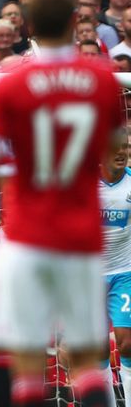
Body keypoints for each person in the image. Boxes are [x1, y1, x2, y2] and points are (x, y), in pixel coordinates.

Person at [0, 0, 123, 407]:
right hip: (81, 237)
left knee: (27, 358)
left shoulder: (8, 84)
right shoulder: (103, 81)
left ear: (26, 27)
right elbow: (112, 150)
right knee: (85, 360)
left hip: (25, 235)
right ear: (75, 23)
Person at [97, 139, 131, 400]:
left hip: (125, 272)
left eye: (125, 147)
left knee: (127, 343)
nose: (120, 152)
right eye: (114, 146)